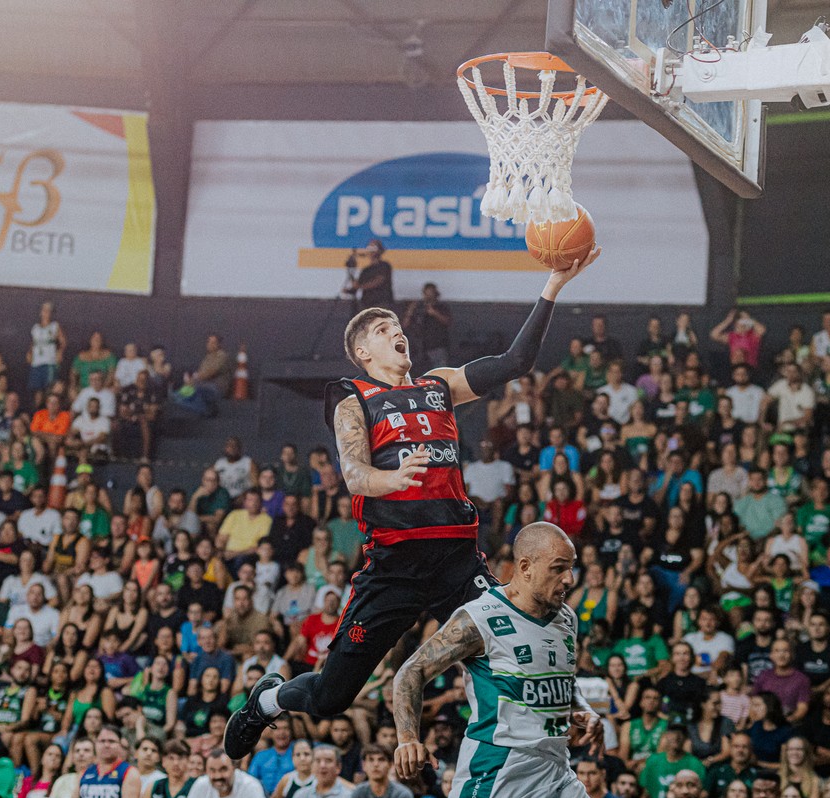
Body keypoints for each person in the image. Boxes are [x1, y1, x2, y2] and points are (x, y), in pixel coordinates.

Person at [225, 253, 599, 758]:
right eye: (383, 329)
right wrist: (391, 477)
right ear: (363, 350)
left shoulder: (439, 385)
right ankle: (265, 703)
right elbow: (354, 473)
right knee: (333, 696)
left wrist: (553, 284)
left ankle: (538, 739)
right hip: (395, 566)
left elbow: (515, 362)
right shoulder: (352, 397)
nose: (396, 331)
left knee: (523, 631)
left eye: (398, 326)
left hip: (456, 560)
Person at [390, 522, 604, 798]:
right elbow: (412, 672)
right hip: (499, 771)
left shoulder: (566, 617)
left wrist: (583, 709)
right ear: (525, 567)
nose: (570, 579)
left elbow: (562, 678)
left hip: (556, 770)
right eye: (559, 568)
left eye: (571, 567)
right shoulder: (479, 619)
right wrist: (407, 739)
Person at [80, 727, 141, 798]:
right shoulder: (84, 773)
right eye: (102, 741)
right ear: (95, 744)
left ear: (120, 745)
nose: (106, 745)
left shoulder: (129, 773)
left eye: (111, 741)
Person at [185, 750, 263, 798]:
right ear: (206, 772)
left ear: (234, 768)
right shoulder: (201, 784)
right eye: (212, 770)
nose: (218, 776)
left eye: (223, 769)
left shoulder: (250, 786)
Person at [343, 240, 394, 311]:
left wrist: (360, 286)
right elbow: (357, 285)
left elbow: (378, 281)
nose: (371, 250)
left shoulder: (384, 266)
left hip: (381, 303)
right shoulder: (365, 270)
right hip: (367, 304)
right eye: (369, 248)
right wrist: (349, 289)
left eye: (374, 247)